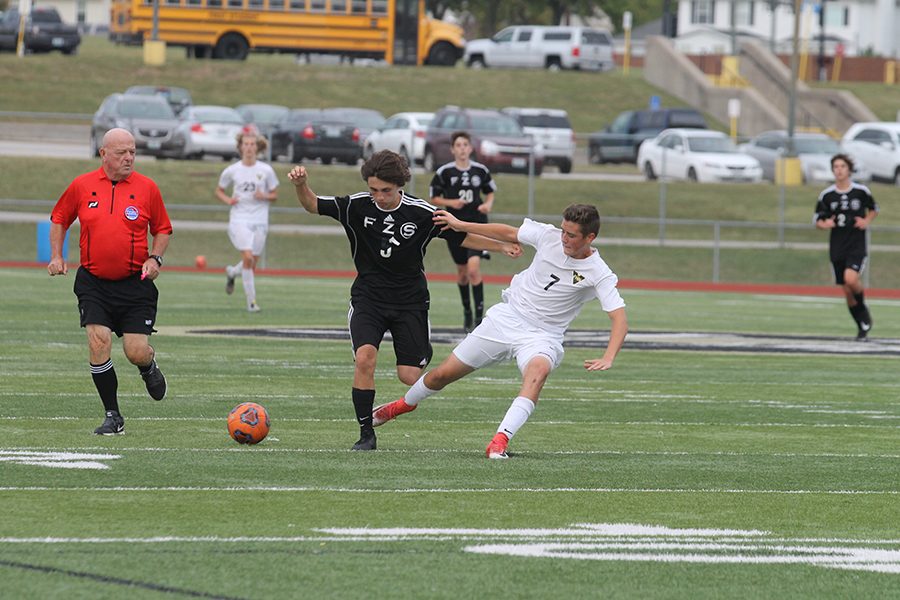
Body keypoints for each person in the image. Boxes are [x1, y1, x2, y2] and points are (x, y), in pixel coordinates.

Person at [288, 150, 522, 451]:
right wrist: (300, 184)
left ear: (400, 185)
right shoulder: (356, 206)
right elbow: (312, 204)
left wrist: (501, 247)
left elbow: (461, 237)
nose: (379, 196)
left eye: (385, 191)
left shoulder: (422, 213)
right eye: (373, 189)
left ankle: (421, 347)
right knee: (365, 358)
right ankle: (366, 434)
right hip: (368, 298)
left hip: (410, 301)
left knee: (409, 376)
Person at [372, 204, 628, 459]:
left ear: (590, 238)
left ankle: (499, 441)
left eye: (571, 235)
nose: (564, 238)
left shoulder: (599, 272)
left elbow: (619, 318)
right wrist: (460, 224)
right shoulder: (548, 236)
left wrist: (609, 357)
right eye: (563, 231)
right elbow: (507, 232)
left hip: (542, 335)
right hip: (506, 319)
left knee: (538, 371)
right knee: (441, 375)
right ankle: (401, 405)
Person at [48, 128, 172, 435]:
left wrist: (155, 258)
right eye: (121, 153)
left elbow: (163, 229)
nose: (129, 158)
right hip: (93, 282)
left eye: (132, 152)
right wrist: (56, 255)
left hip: (135, 284)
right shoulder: (82, 185)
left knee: (135, 351)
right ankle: (113, 415)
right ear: (104, 154)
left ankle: (148, 366)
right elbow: (60, 218)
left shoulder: (147, 188)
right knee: (97, 341)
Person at [429, 131, 497, 332]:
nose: (462, 148)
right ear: (452, 149)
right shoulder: (445, 172)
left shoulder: (480, 170)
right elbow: (434, 198)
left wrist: (488, 204)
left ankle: (478, 319)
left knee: (473, 269)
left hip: (477, 226)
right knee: (462, 274)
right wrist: (451, 203)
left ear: (470, 148)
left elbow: (490, 191)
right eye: (458, 145)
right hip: (454, 227)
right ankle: (467, 312)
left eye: (465, 145)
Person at [814, 153, 879, 340]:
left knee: (851, 279)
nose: (839, 170)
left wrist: (866, 220)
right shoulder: (827, 195)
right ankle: (861, 324)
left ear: (849, 169)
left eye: (842, 166)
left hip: (856, 244)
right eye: (836, 167)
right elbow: (818, 220)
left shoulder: (861, 191)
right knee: (846, 291)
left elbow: (874, 208)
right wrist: (824, 224)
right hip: (837, 246)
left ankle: (863, 309)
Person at [217, 131, 280, 312]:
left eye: (253, 144)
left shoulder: (266, 170)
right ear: (240, 147)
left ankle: (232, 272)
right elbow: (219, 190)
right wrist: (229, 200)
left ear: (257, 147)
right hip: (239, 218)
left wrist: (265, 195)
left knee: (252, 262)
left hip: (260, 218)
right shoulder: (232, 170)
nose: (249, 147)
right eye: (246, 144)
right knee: (247, 257)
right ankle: (251, 303)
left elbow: (275, 194)